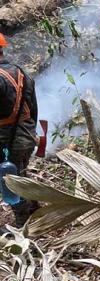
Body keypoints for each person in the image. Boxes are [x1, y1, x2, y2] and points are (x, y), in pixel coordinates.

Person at [0, 33, 38, 233]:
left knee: (10, 181)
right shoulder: (22, 72)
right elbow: (33, 108)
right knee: (19, 174)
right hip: (25, 134)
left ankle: (22, 226)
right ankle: (33, 210)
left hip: (7, 139)